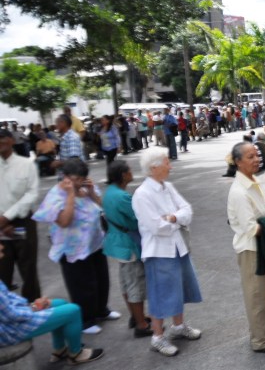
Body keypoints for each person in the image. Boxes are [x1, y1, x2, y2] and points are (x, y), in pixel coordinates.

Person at [32, 159, 120, 335]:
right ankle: (85, 320)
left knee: (101, 279)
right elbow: (64, 221)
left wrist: (91, 194)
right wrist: (71, 195)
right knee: (82, 284)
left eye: (82, 178)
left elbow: (103, 207)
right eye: (75, 178)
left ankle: (101, 310)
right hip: (72, 248)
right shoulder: (56, 195)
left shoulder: (86, 189)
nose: (79, 182)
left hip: (94, 243)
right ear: (64, 177)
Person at [131, 148, 202, 356]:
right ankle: (157, 337)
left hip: (177, 246)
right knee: (160, 294)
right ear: (154, 168)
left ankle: (178, 326)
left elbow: (187, 210)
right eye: (166, 163)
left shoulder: (167, 186)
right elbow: (156, 227)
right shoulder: (142, 194)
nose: (170, 166)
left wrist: (172, 218)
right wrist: (176, 220)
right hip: (158, 251)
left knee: (179, 287)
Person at [227, 142, 265, 355]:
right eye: (250, 156)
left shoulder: (253, 182)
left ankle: (263, 329)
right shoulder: (239, 192)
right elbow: (252, 228)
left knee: (262, 294)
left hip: (261, 249)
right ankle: (261, 341)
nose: (256, 159)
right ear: (238, 162)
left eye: (256, 155)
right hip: (252, 251)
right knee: (256, 297)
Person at [0, 244, 104, 365]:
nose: (2, 246)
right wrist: (34, 307)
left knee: (60, 303)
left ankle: (60, 349)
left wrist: (33, 305)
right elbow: (12, 315)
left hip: (10, 323)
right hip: (10, 331)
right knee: (73, 310)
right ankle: (76, 354)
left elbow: (10, 302)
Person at [101, 161, 152, 338]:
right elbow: (138, 218)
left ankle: (135, 316)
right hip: (127, 243)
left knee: (126, 280)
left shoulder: (110, 193)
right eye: (129, 170)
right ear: (123, 175)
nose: (132, 173)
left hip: (116, 242)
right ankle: (141, 324)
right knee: (135, 284)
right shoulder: (122, 197)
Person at [0, 129, 40, 302]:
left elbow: (31, 194)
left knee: (28, 269)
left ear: (11, 140)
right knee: (3, 271)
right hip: (0, 225)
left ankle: (33, 308)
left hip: (22, 223)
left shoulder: (26, 164)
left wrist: (8, 217)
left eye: (2, 138)